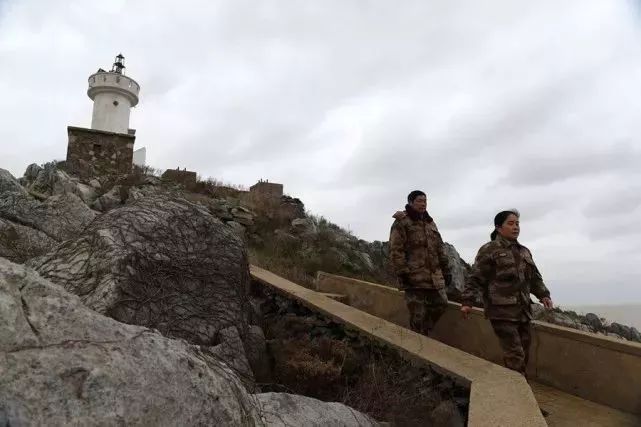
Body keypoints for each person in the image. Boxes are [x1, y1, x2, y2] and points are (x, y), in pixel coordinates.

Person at [460, 209, 553, 376]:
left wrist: (544, 295)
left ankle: (515, 383)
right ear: (498, 227)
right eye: (510, 223)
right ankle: (518, 389)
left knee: (524, 353)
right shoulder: (489, 249)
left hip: (523, 312)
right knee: (515, 355)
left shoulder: (524, 251)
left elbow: (534, 279)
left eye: (517, 224)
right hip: (501, 312)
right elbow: (476, 277)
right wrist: (467, 302)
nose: (515, 227)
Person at [389, 190, 451, 336]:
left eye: (425, 201)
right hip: (413, 277)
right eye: (419, 201)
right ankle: (417, 340)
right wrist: (402, 272)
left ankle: (424, 332)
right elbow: (396, 249)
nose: (423, 204)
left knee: (441, 304)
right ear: (411, 203)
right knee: (418, 315)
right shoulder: (402, 222)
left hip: (434, 278)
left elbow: (440, 248)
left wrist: (446, 270)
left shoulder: (430, 223)